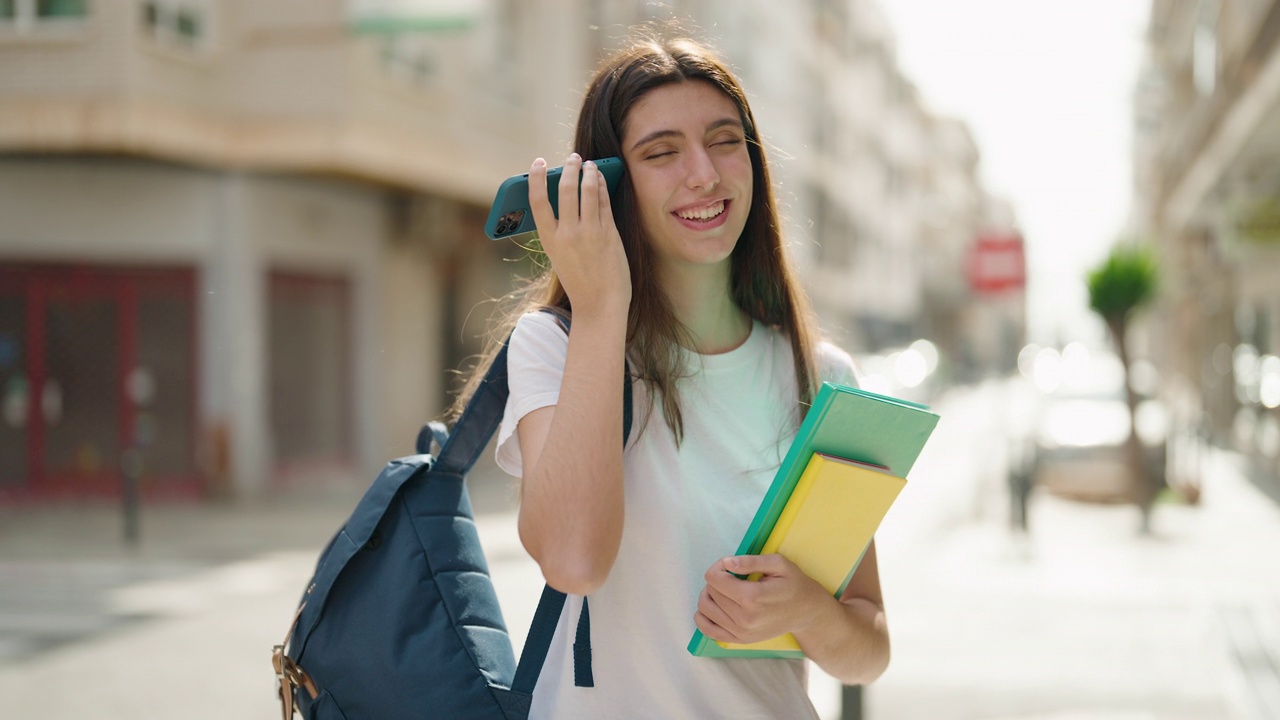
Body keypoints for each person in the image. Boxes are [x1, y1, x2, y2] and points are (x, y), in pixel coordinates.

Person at [452, 32, 889, 719]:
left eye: (723, 140)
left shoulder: (821, 375)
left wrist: (806, 607)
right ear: (607, 183)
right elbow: (572, 561)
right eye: (660, 153)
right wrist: (601, 308)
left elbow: (868, 650)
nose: (704, 174)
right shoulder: (555, 347)